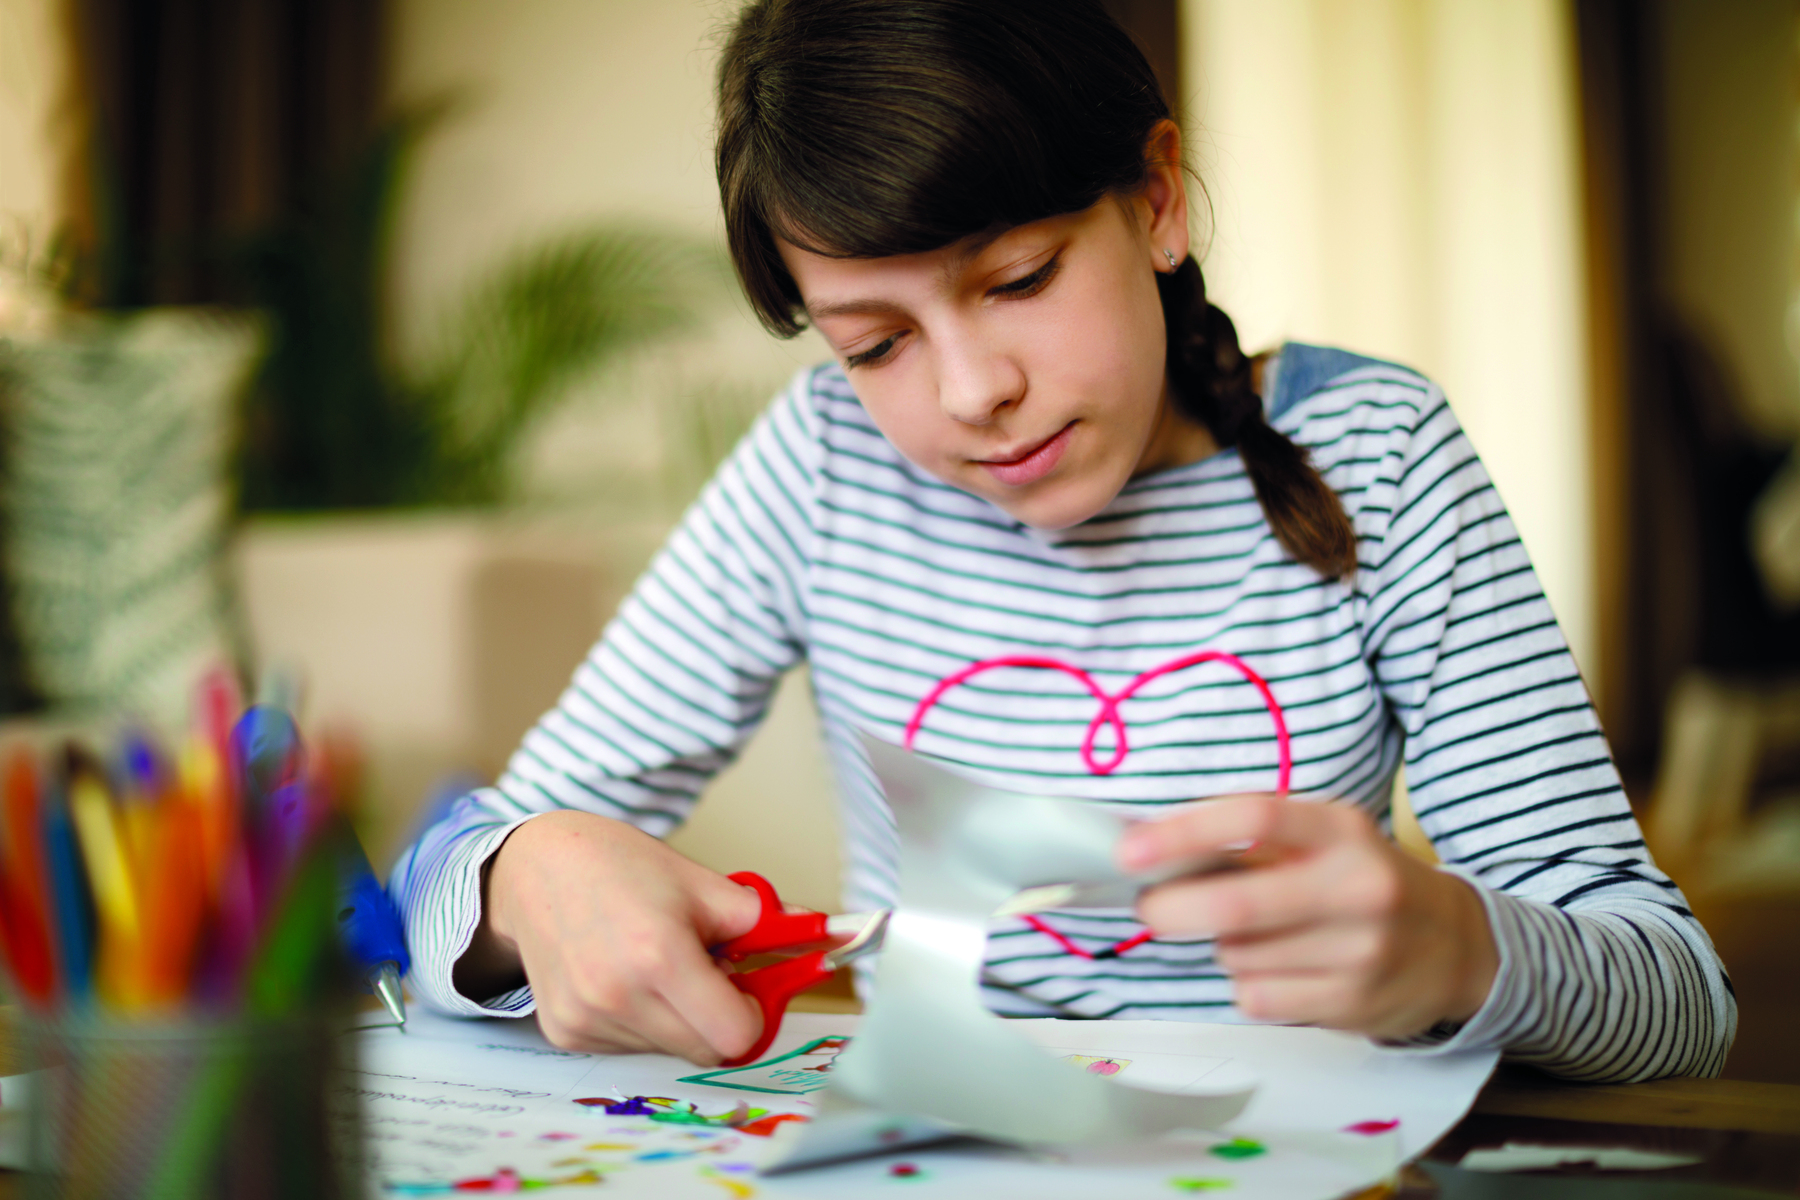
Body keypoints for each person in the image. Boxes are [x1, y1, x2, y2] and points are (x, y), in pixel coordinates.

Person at [390, 0, 1734, 1082]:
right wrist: (524, 877)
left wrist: (1458, 947)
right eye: (878, 343)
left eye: (1018, 279)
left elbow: (1677, 997)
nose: (974, 390)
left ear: (1154, 201)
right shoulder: (824, 464)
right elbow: (446, 879)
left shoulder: (1374, 454)